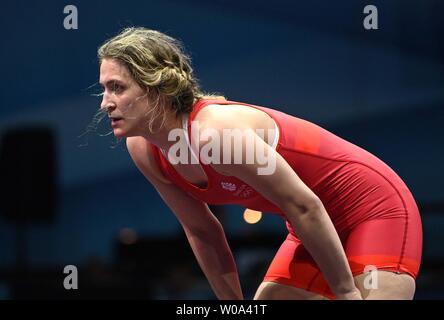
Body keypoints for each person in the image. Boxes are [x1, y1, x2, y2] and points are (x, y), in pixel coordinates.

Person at [96, 27, 423, 300]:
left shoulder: (214, 134)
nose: (105, 103)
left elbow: (304, 204)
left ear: (158, 88)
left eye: (117, 88)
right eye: (104, 89)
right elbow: (202, 231)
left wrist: (347, 294)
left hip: (373, 210)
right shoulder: (143, 149)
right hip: (309, 226)